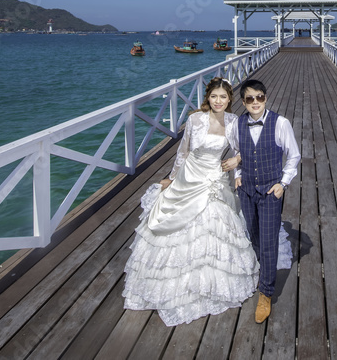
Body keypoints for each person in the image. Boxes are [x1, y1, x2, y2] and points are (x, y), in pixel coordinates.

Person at [122, 77, 258, 326]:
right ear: (208, 97)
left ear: (230, 100)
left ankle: (208, 283)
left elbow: (243, 149)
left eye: (223, 97)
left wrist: (236, 161)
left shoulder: (233, 122)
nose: (218, 101)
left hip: (214, 177)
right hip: (190, 176)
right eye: (214, 96)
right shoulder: (195, 119)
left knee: (215, 224)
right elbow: (183, 152)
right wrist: (171, 179)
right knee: (174, 224)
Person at [233, 78, 301, 324]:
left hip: (271, 191)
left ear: (265, 98)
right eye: (249, 99)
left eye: (259, 97)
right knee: (254, 235)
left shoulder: (280, 123)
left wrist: (282, 184)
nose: (255, 102)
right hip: (247, 189)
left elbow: (293, 156)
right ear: (243, 102)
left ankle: (266, 293)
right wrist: (238, 175)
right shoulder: (238, 124)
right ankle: (261, 274)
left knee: (269, 241)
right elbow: (235, 153)